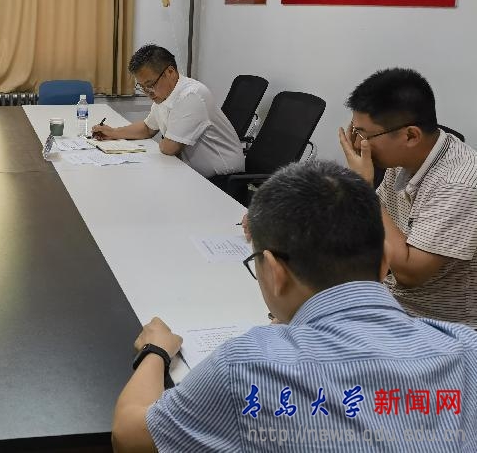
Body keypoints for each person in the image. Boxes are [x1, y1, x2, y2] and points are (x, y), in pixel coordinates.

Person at [111, 160, 477, 452]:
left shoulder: (246, 367)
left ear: (274, 272)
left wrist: (156, 351)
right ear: (385, 262)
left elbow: (129, 437)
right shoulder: (466, 348)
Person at [339, 67, 477, 328]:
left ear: (411, 136)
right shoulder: (402, 161)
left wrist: (364, 188)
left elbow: (410, 273)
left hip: (441, 327)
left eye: (365, 135)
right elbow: (368, 229)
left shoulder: (460, 183)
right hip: (393, 303)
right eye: (355, 132)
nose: (357, 144)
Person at [92, 44, 243, 178]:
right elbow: (147, 128)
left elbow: (170, 147)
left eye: (150, 84)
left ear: (170, 72)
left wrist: (164, 142)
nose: (148, 92)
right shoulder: (163, 94)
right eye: (142, 87)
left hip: (222, 179)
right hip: (189, 172)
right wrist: (113, 133)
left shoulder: (192, 95)